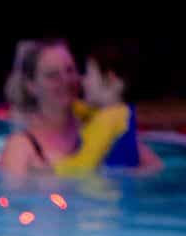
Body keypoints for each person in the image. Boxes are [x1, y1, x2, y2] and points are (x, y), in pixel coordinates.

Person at [51, 44, 163, 174]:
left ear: (110, 79)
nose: (83, 80)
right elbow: (85, 111)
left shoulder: (109, 118)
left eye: (88, 74)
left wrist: (46, 168)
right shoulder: (120, 113)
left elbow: (82, 166)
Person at [0, 38, 83, 176]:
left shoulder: (95, 132)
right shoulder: (20, 148)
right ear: (31, 85)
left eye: (70, 70)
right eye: (53, 75)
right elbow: (11, 196)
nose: (66, 80)